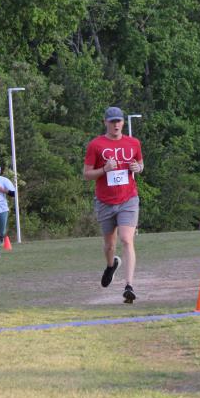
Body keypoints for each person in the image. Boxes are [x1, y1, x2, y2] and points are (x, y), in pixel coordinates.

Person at [83, 106, 143, 303]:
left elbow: (140, 164)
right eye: (112, 121)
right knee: (110, 245)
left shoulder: (133, 143)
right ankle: (111, 266)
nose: (116, 125)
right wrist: (104, 169)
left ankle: (129, 286)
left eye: (118, 121)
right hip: (105, 202)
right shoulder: (96, 145)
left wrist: (138, 168)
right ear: (105, 122)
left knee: (127, 239)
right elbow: (87, 174)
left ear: (123, 122)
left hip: (128, 199)